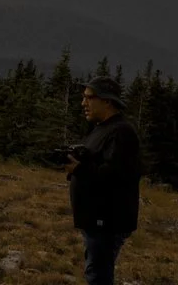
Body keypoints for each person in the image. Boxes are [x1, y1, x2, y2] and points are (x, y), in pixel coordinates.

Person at [65, 76, 142, 285]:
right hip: (96, 219)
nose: (84, 103)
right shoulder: (103, 128)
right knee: (95, 270)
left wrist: (79, 169)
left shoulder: (122, 132)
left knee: (98, 275)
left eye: (89, 98)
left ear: (107, 101)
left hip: (107, 221)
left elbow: (115, 176)